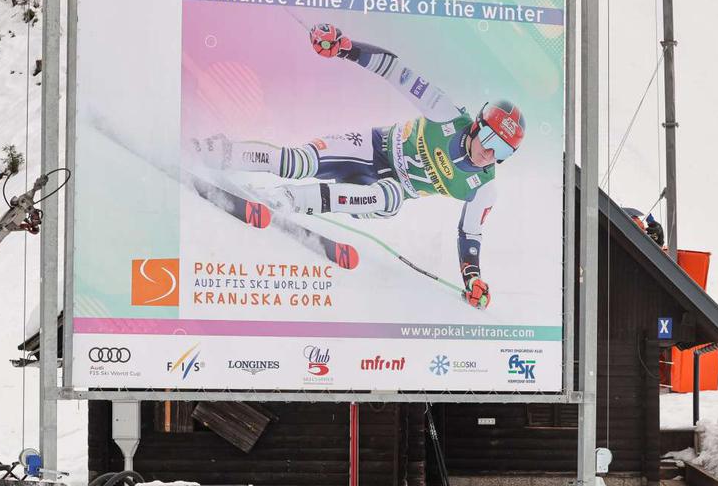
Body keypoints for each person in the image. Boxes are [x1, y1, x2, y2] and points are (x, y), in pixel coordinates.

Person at [195, 24, 526, 310]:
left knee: (390, 199)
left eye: (502, 151)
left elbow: (470, 233)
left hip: (385, 191)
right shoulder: (446, 113)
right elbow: (395, 71)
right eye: (488, 138)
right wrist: (345, 48)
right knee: (298, 161)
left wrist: (473, 278)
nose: (488, 153)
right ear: (476, 125)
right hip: (371, 148)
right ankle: (216, 151)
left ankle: (284, 200)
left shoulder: (483, 187)